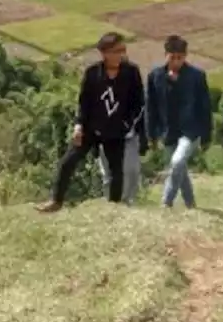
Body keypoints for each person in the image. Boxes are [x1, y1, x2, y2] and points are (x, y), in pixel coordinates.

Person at [37, 32, 145, 213]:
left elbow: (139, 102)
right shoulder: (93, 73)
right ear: (104, 53)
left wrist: (126, 124)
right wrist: (79, 125)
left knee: (116, 172)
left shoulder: (131, 72)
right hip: (91, 129)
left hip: (116, 131)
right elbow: (84, 102)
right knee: (68, 162)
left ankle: (114, 208)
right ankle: (56, 201)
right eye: (116, 51)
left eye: (122, 50)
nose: (120, 54)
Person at [146, 35, 212, 210]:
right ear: (166, 55)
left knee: (176, 162)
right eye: (172, 57)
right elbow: (150, 107)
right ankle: (191, 204)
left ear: (185, 56)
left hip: (190, 131)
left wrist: (206, 136)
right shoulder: (155, 76)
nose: (176, 61)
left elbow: (205, 107)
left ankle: (166, 202)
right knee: (179, 169)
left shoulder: (197, 76)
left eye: (180, 57)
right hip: (167, 131)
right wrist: (151, 134)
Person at [98, 116, 148, 204]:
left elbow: (142, 114)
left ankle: (127, 202)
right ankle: (111, 203)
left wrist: (143, 138)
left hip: (130, 139)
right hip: (106, 139)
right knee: (109, 175)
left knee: (132, 171)